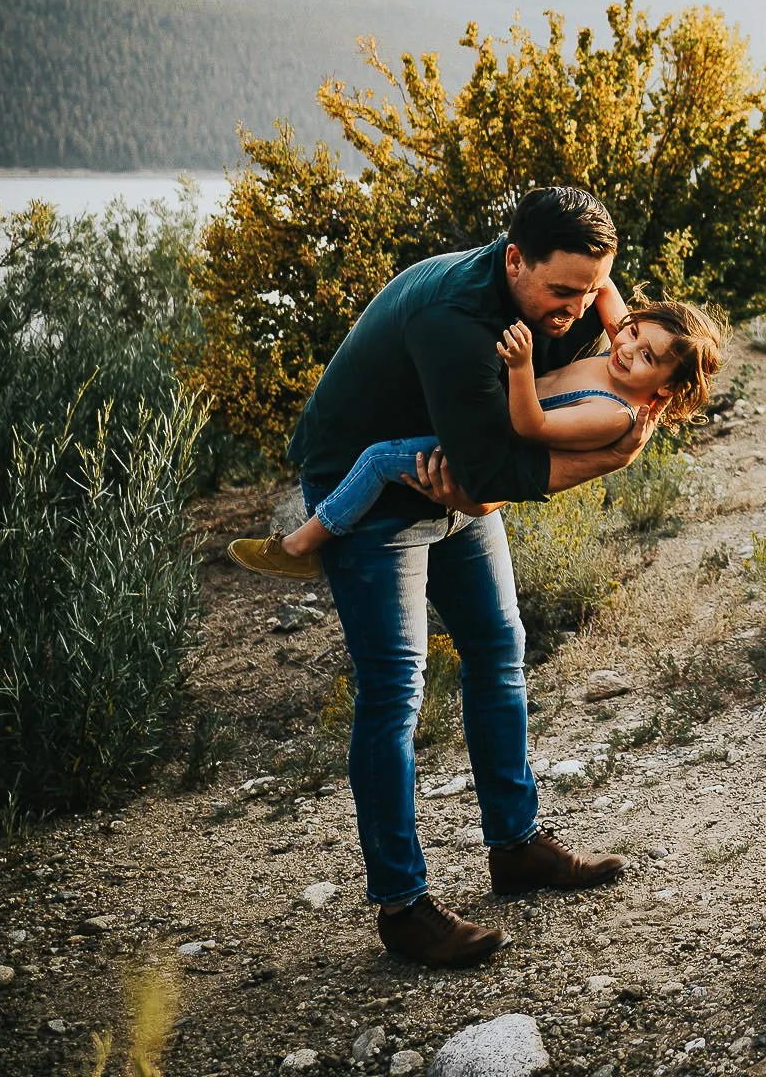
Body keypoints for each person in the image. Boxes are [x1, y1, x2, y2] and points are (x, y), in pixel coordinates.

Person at [279, 187, 655, 968]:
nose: (578, 307)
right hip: (373, 487)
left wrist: (612, 316)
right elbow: (487, 478)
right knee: (395, 686)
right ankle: (402, 906)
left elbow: (483, 475)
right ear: (513, 258)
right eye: (563, 291)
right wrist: (615, 451)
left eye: (591, 289)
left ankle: (516, 847)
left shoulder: (572, 287)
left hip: (450, 469)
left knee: (498, 647)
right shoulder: (456, 321)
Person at [228, 299, 719, 578]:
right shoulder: (623, 354)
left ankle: (302, 545)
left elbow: (533, 428)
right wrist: (599, 288)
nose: (629, 347)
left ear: (668, 388)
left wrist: (522, 369)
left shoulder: (613, 415)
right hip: (475, 423)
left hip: (480, 451)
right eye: (632, 331)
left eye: (648, 357)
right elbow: (607, 284)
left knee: (379, 460)